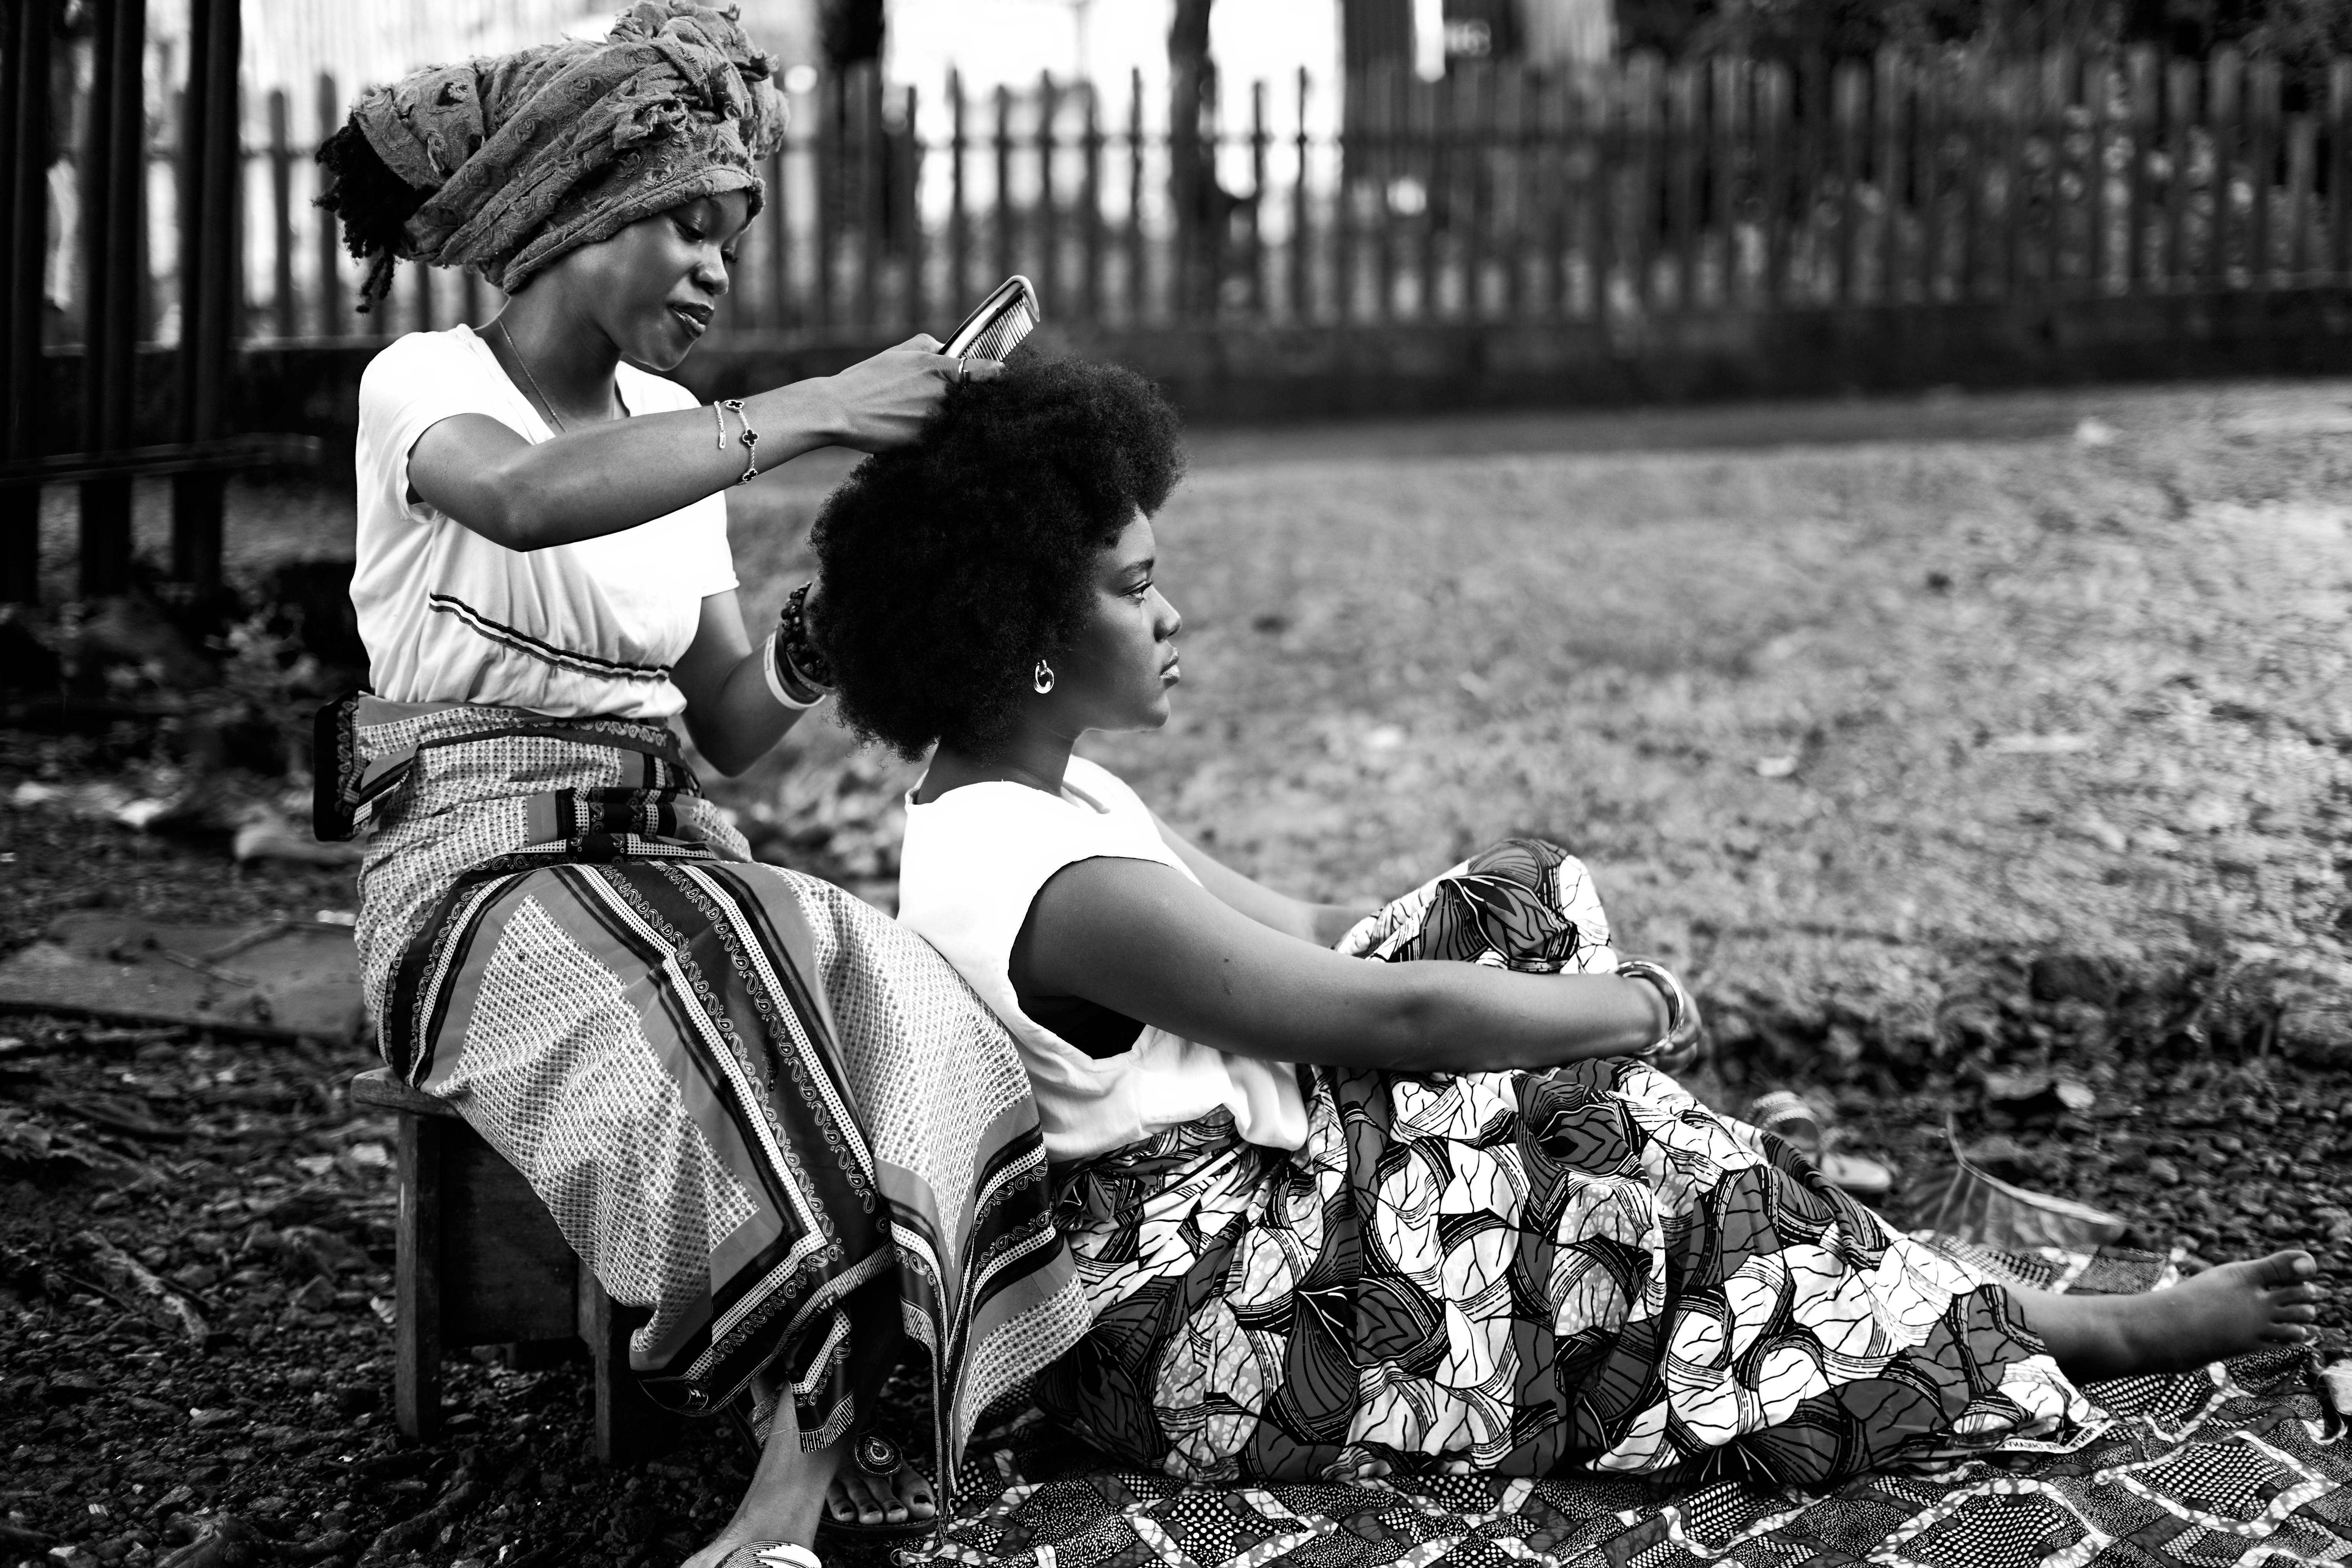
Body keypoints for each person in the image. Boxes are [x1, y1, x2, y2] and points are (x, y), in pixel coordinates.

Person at [809, 354, 2324, 1486]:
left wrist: (1527, 990)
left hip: (1259, 1172)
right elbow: (1373, 1015)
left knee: (1521, 904)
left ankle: (1728, 1201)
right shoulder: (1048, 881)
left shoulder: (1032, 797)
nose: (1175, 616)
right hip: (1201, 1309)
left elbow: (1331, 930)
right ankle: (2042, 1331)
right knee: (1637, 1166)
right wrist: (1634, 1014)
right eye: (1138, 591)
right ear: (1025, 644)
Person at [314, 9, 1087, 1565]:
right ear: (573, 208)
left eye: (732, 236)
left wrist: (831, 612)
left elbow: (728, 722)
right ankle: (788, 1483)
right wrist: (815, 409)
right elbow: (524, 501)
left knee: (889, 984)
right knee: (682, 1017)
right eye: (684, 222)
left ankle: (958, 1371)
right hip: (473, 869)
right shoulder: (428, 378)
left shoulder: (678, 435)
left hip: (665, 839)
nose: (716, 269)